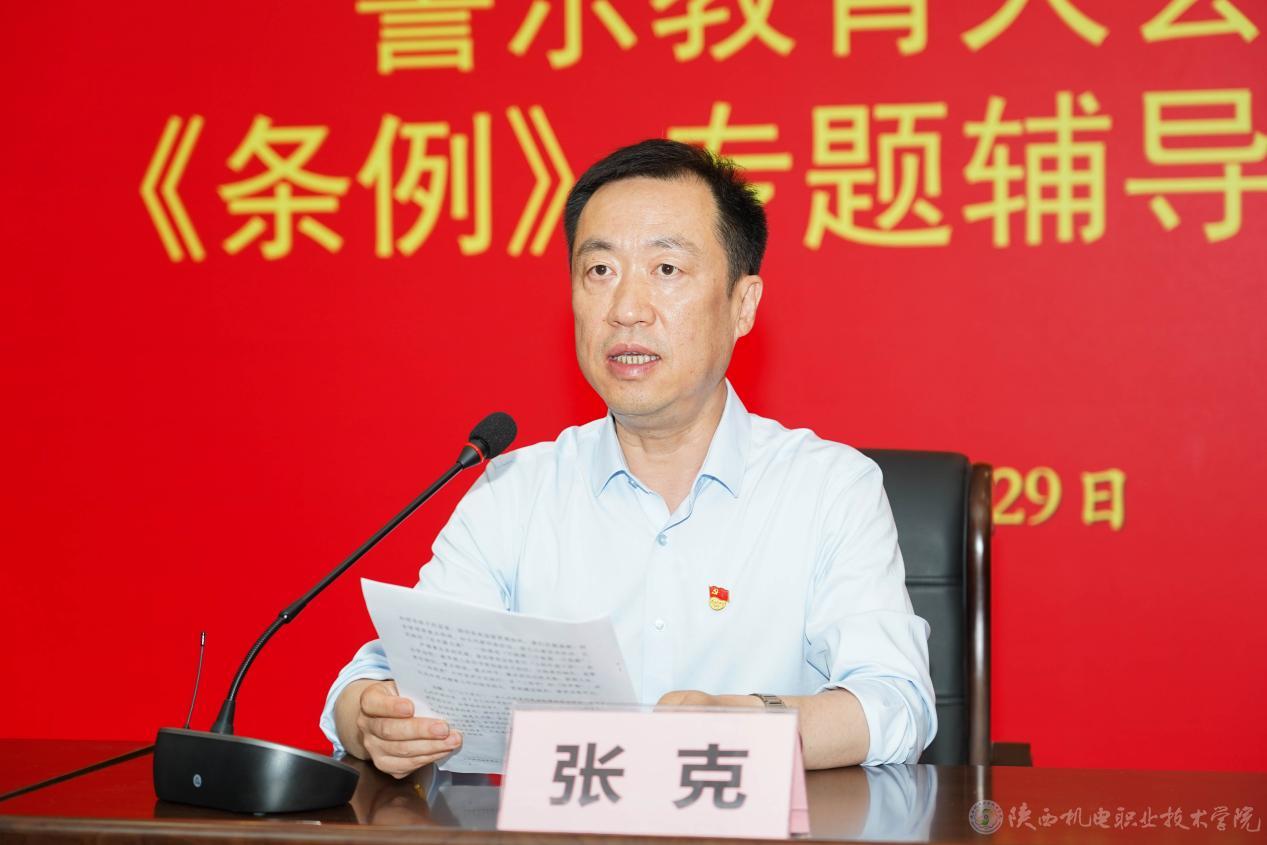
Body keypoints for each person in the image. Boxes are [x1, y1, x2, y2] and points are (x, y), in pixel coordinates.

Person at [320, 139, 935, 776]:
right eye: (600, 271)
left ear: (742, 304)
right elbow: (386, 679)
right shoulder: (515, 491)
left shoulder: (828, 487)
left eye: (666, 269)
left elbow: (895, 703)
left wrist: (751, 722)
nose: (626, 310)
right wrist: (371, 718)